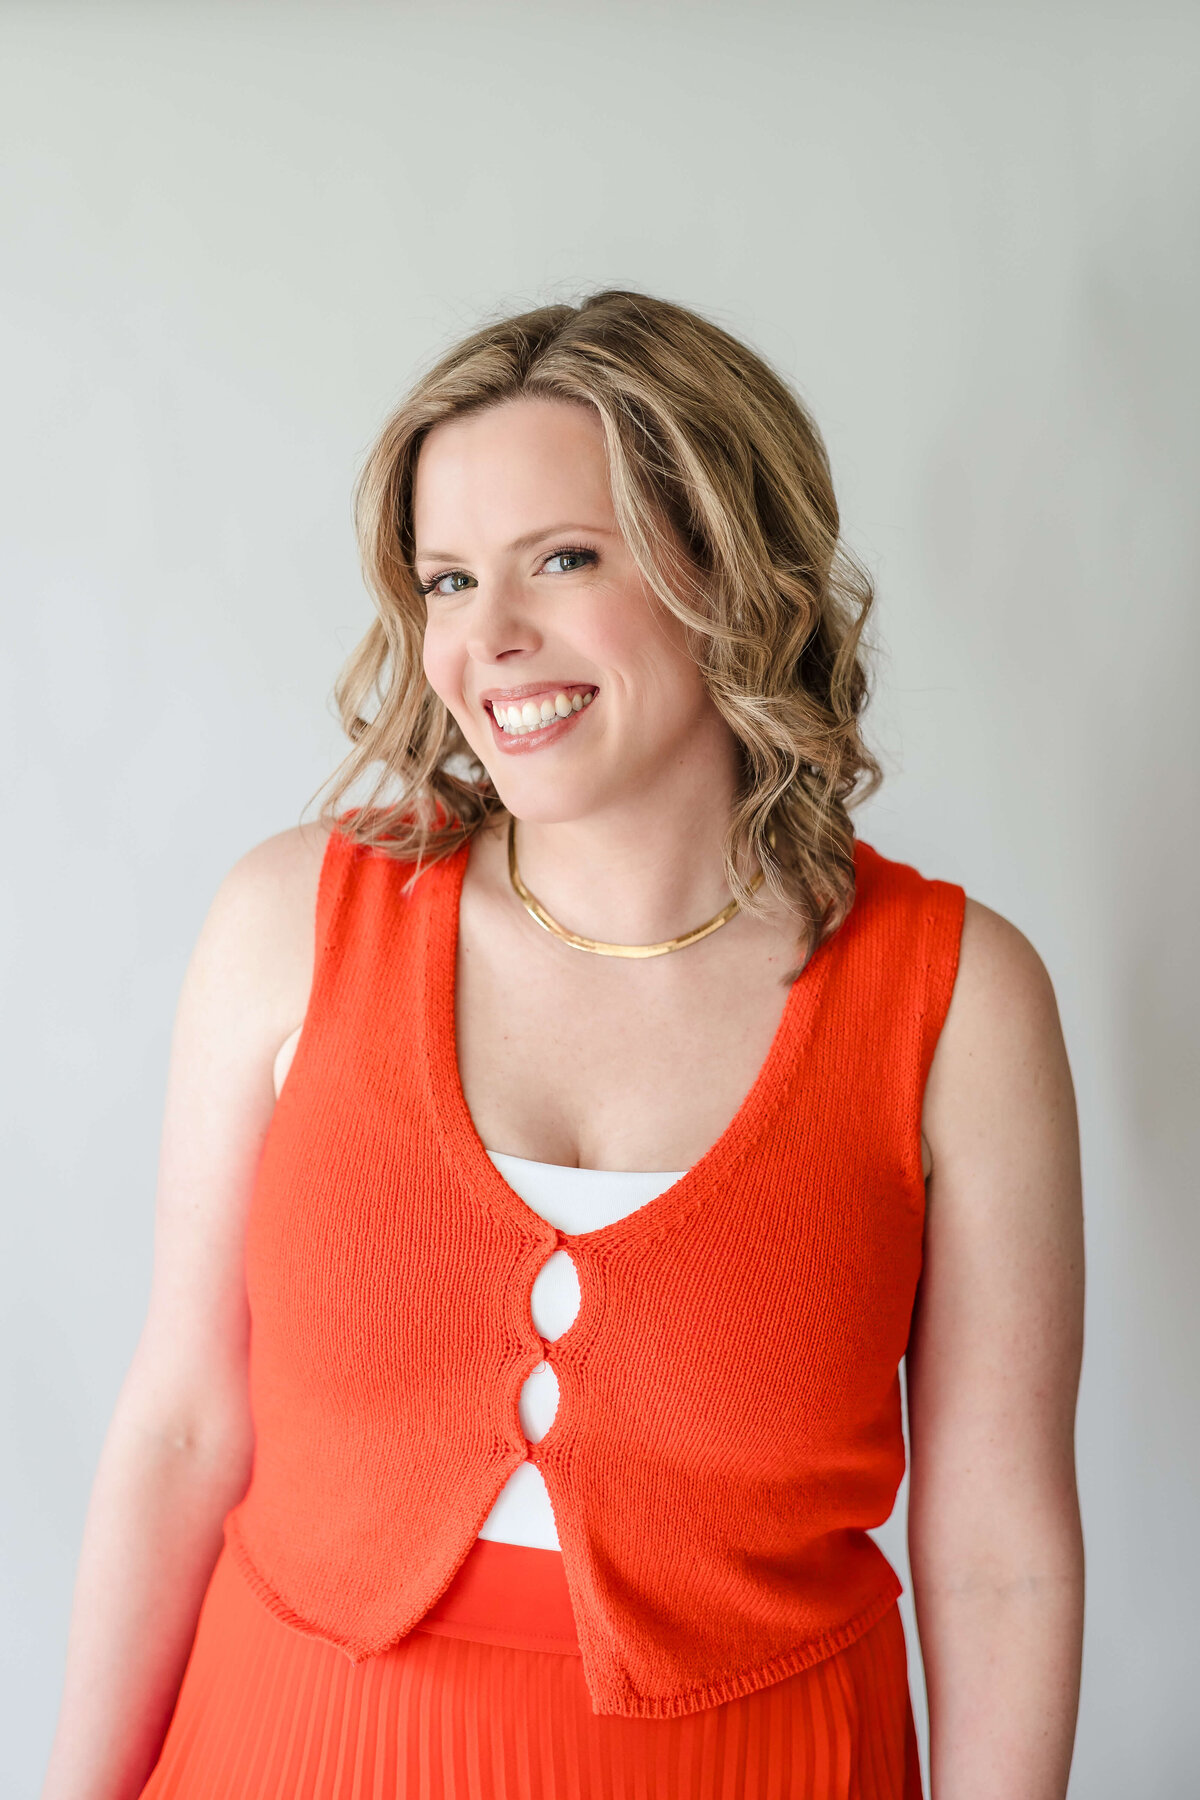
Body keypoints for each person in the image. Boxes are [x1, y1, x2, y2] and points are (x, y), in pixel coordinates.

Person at [40, 290, 1085, 1800]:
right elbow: (187, 1427)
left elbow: (999, 1556)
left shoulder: (958, 998)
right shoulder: (293, 926)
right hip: (287, 1754)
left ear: (730, 568)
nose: (490, 641)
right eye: (448, 579)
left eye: (565, 560)